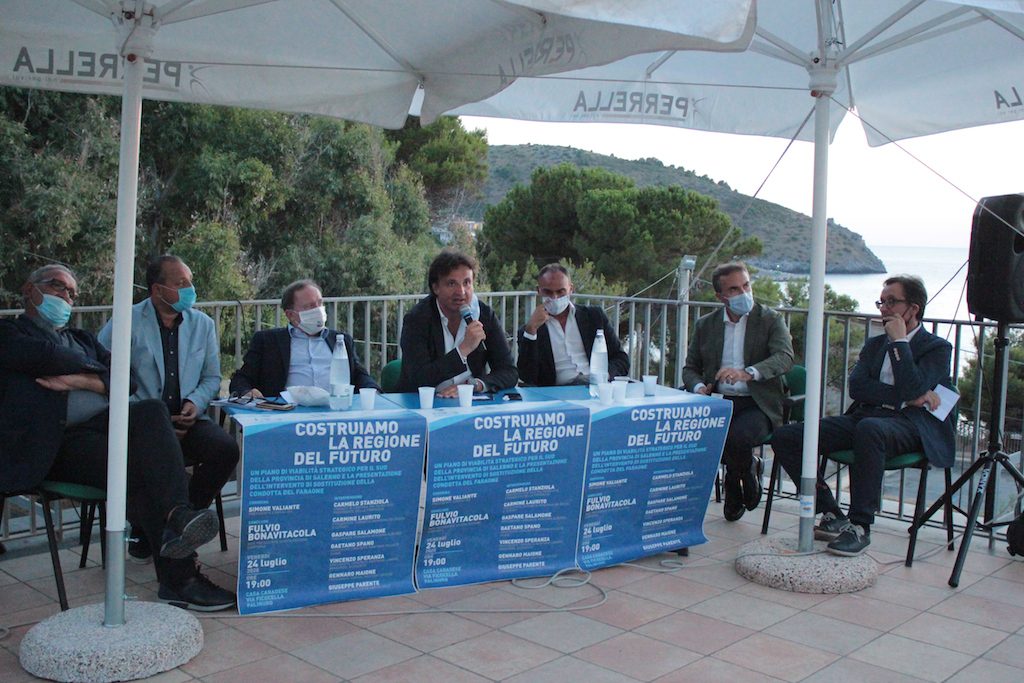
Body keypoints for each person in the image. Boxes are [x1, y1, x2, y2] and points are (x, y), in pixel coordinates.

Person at [0, 264, 235, 611]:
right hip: (56, 445)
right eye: (58, 287)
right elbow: (47, 356)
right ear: (29, 289)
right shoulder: (9, 333)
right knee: (143, 471)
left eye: (71, 293)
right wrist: (97, 374)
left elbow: (128, 380)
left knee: (151, 412)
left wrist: (81, 381)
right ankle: (179, 577)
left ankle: (178, 517)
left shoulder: (80, 339)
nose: (67, 297)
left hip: (101, 429)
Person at [771, 275, 955, 556]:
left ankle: (860, 526)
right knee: (787, 436)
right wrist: (906, 396)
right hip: (866, 416)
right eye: (882, 301)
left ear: (913, 308)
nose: (883, 308)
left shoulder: (937, 348)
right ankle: (831, 512)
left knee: (870, 429)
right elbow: (858, 387)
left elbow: (913, 385)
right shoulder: (874, 345)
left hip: (910, 425)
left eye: (891, 301)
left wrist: (900, 343)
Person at [98, 255, 239, 564]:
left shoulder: (202, 324)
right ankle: (157, 525)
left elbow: (212, 376)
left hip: (189, 416)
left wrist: (194, 403)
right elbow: (103, 373)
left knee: (226, 449)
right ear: (157, 290)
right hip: (144, 423)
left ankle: (174, 527)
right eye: (181, 283)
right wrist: (153, 421)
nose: (190, 289)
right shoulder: (126, 321)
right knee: (156, 460)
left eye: (190, 282)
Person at [682, 262, 794, 522]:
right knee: (693, 438)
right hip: (718, 401)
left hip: (757, 402)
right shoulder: (706, 325)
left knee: (736, 438)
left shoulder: (769, 319)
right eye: (734, 289)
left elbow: (785, 356)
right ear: (720, 296)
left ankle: (736, 481)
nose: (744, 293)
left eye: (746, 285)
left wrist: (749, 372)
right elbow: (690, 368)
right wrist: (699, 387)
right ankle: (747, 469)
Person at [229, 279, 378, 397]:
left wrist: (373, 391)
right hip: (287, 415)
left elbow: (360, 376)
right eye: (310, 306)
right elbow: (241, 380)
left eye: (320, 303)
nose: (318, 310)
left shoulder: (341, 340)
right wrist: (246, 392)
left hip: (335, 411)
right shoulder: (267, 341)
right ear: (290, 315)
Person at [396, 250, 517, 395]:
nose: (461, 292)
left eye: (467, 283)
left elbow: (509, 371)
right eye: (451, 283)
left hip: (468, 402)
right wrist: (463, 349)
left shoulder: (484, 315)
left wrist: (475, 385)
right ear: (436, 288)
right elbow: (419, 378)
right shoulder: (417, 319)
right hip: (424, 403)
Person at [517, 263, 629, 386]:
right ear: (539, 291)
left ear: (571, 289)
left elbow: (621, 359)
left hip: (596, 387)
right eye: (548, 292)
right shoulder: (530, 330)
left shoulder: (593, 317)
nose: (555, 297)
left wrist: (604, 375)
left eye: (561, 292)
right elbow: (527, 376)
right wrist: (531, 330)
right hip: (558, 393)